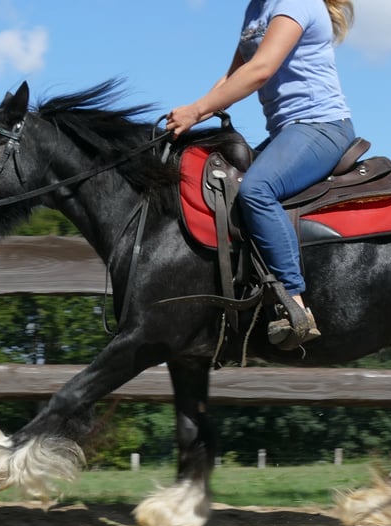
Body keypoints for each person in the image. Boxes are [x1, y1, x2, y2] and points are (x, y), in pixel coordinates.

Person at [166, 0, 356, 349]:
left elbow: (261, 71)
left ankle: (295, 306)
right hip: (288, 132)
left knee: (257, 189)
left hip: (322, 127)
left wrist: (197, 112)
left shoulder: (295, 3)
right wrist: (192, 115)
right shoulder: (256, 9)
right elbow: (235, 75)